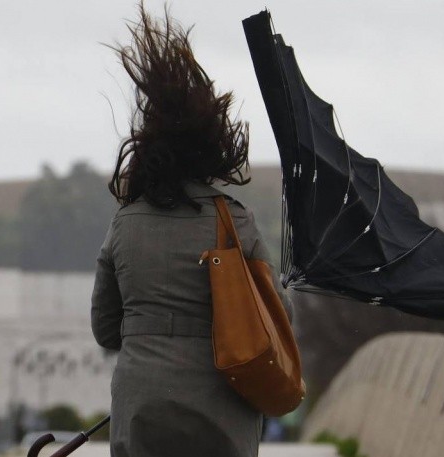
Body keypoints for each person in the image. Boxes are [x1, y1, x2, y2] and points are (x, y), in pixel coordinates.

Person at [91, 5, 292, 456]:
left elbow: (105, 329)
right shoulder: (233, 220)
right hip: (220, 408)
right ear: (211, 148)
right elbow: (278, 320)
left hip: (143, 404)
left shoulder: (124, 224)